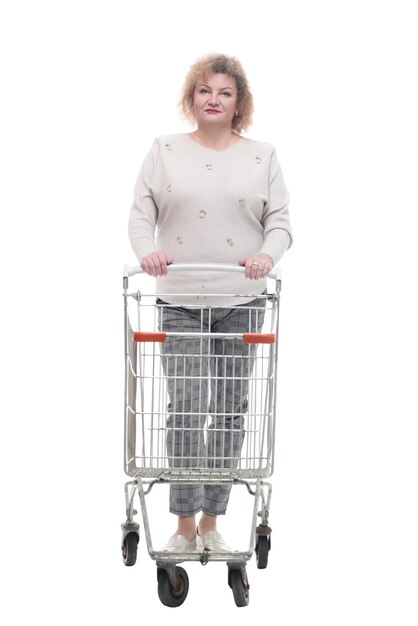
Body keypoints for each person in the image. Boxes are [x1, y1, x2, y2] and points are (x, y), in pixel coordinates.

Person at [129, 53, 293, 553]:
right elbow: (140, 216)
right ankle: (182, 526)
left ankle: (212, 520)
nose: (214, 100)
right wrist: (148, 252)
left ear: (238, 102)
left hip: (239, 300)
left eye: (224, 92)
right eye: (205, 91)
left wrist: (267, 255)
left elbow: (281, 223)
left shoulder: (262, 156)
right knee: (186, 408)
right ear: (191, 97)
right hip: (179, 300)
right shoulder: (164, 150)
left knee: (228, 410)